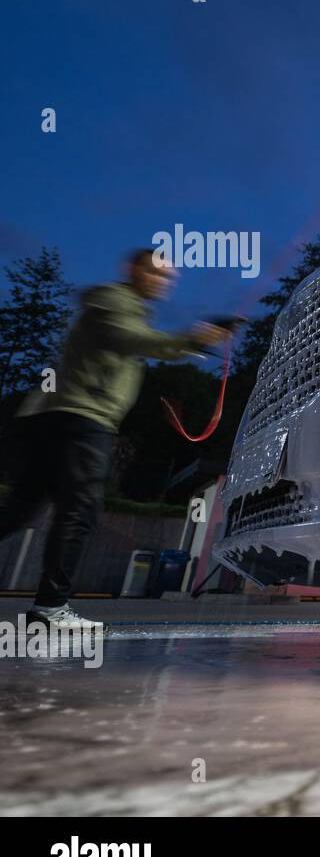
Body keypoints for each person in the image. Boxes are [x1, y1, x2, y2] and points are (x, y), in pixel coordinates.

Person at [0, 248, 228, 629]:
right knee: (79, 511)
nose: (162, 282)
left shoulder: (124, 306)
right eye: (155, 273)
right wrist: (194, 339)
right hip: (79, 419)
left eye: (168, 278)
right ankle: (51, 608)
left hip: (59, 419)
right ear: (131, 269)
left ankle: (50, 606)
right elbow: (132, 339)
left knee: (21, 509)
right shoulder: (111, 301)